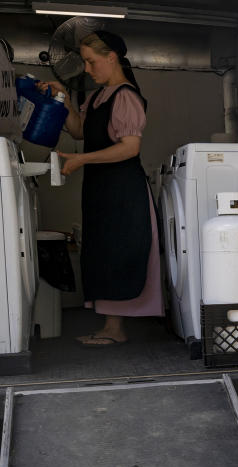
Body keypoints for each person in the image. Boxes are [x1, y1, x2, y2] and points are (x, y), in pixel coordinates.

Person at [36, 30, 162, 346]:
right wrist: (62, 96)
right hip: (102, 188)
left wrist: (81, 160)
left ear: (112, 57)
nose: (88, 70)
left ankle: (115, 330)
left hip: (123, 189)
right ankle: (111, 327)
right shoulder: (97, 97)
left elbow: (130, 147)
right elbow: (79, 130)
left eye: (92, 63)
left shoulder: (126, 96)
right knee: (103, 251)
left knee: (118, 252)